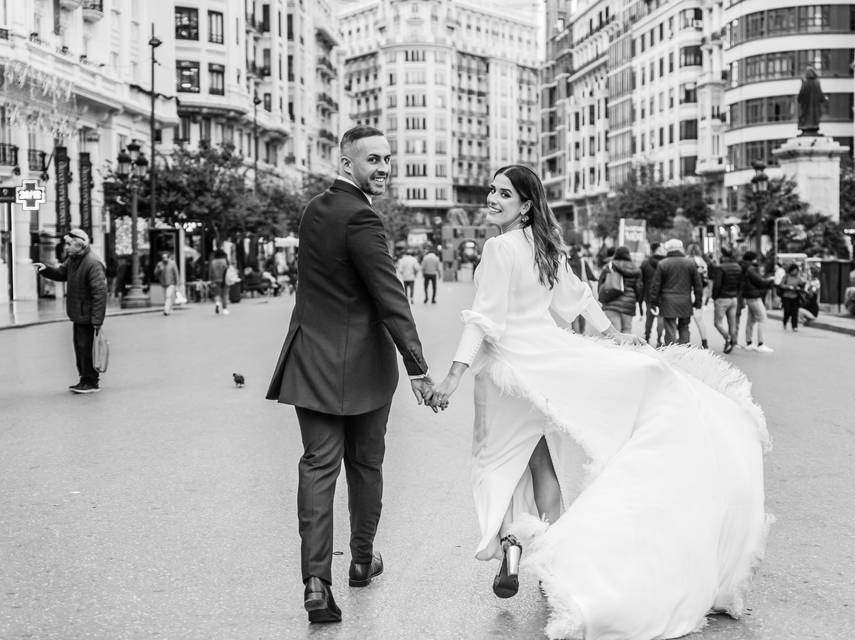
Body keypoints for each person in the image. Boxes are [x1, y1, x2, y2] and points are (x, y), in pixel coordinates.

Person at [425, 165, 769, 640]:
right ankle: (543, 560)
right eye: (491, 190)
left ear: (525, 204)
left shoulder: (499, 247)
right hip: (546, 363)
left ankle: (514, 545)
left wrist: (452, 376)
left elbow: (485, 321)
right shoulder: (545, 246)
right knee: (539, 467)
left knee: (499, 462)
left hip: (507, 373)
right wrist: (611, 337)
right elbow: (578, 299)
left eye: (503, 193)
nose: (491, 198)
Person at [265, 126, 435, 624]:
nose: (384, 168)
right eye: (373, 160)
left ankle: (316, 582)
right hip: (360, 365)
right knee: (365, 465)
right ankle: (361, 560)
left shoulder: (314, 210)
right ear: (346, 164)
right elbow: (389, 296)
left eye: (388, 159)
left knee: (317, 467)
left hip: (309, 359)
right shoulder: (363, 218)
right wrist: (418, 367)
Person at [34, 228, 107, 394]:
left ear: (79, 245)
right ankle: (84, 379)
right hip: (78, 313)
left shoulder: (92, 262)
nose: (66, 247)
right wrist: (45, 269)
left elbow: (100, 293)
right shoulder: (74, 259)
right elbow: (61, 273)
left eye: (68, 244)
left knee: (87, 348)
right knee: (80, 348)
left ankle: (91, 381)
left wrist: (97, 320)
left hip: (87, 315)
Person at [649, 238, 703, 346]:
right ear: (680, 249)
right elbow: (698, 285)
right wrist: (698, 301)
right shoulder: (690, 263)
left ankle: (672, 353)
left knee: (670, 328)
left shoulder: (663, 264)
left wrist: (654, 302)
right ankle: (684, 351)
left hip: (667, 301)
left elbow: (656, 285)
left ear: (668, 249)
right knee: (684, 327)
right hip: (685, 301)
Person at [598, 245, 643, 333]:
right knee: (627, 332)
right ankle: (626, 347)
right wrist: (635, 300)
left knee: (615, 334)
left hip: (611, 303)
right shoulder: (636, 269)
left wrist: (603, 298)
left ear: (616, 254)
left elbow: (601, 284)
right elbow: (639, 288)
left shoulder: (609, 266)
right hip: (628, 305)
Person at [741, 251, 775, 352]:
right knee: (762, 318)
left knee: (751, 320)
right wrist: (770, 281)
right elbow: (759, 281)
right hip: (754, 296)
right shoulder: (751, 268)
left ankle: (749, 342)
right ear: (753, 259)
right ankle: (761, 343)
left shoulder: (744, 267)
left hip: (749, 295)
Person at [712, 246, 743, 354]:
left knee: (717, 323)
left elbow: (717, 285)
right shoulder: (738, 267)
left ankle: (728, 338)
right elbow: (740, 284)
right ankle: (732, 341)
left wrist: (714, 297)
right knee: (732, 322)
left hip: (722, 298)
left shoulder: (721, 268)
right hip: (733, 298)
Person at [639, 242, 666, 346]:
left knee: (649, 318)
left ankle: (647, 337)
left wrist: (641, 298)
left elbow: (641, 281)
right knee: (661, 318)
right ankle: (659, 340)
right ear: (658, 250)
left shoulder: (645, 263)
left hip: (649, 295)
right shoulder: (666, 263)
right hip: (663, 296)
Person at [567, 245, 597, 334]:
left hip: (571, 291)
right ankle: (581, 332)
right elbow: (591, 276)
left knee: (574, 313)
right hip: (581, 290)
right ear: (579, 251)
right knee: (582, 311)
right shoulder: (583, 262)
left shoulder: (567, 262)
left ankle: (575, 334)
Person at [686, 242, 710, 348]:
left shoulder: (686, 260)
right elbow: (705, 278)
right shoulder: (703, 262)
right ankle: (704, 342)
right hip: (699, 291)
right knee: (699, 319)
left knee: (684, 319)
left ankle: (684, 340)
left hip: (687, 291)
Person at [779, 263, 806, 332]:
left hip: (795, 296)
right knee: (787, 311)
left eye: (796, 270)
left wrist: (799, 287)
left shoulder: (798, 277)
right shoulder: (786, 276)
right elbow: (781, 285)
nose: (795, 272)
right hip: (786, 296)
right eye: (794, 270)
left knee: (794, 312)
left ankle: (794, 326)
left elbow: (801, 285)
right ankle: (785, 322)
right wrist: (788, 287)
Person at [154, 251, 180, 316]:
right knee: (166, 298)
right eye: (163, 257)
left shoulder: (172, 263)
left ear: (168, 258)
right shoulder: (159, 264)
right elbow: (155, 273)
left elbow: (176, 273)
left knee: (168, 296)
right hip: (163, 284)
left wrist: (177, 283)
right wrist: (159, 270)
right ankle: (170, 309)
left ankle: (166, 311)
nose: (164, 258)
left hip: (171, 283)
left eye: (165, 257)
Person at [208, 249, 230, 315]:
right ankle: (224, 309)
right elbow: (228, 270)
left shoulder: (213, 262)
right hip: (224, 279)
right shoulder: (225, 261)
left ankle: (217, 303)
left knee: (217, 293)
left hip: (216, 279)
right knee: (225, 294)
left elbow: (211, 272)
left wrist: (211, 280)